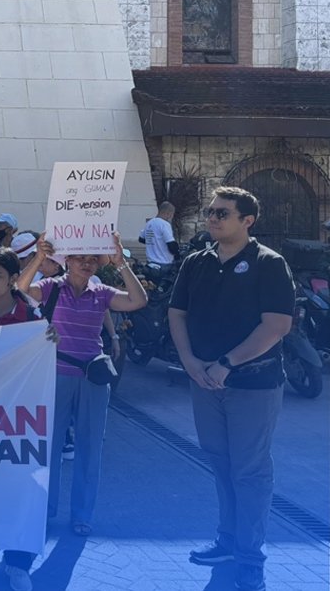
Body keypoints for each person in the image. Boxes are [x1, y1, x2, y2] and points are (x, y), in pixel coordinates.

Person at [168, 187, 294, 591]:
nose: (212, 217)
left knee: (250, 471)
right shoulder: (196, 262)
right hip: (204, 383)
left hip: (253, 384)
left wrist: (227, 363)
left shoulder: (269, 263)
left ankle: (250, 557)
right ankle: (227, 542)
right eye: (210, 211)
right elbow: (177, 312)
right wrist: (189, 361)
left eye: (222, 213)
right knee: (221, 465)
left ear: (247, 221)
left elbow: (277, 325)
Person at [18, 234, 147, 537]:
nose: (87, 264)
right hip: (55, 376)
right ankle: (45, 510)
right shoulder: (50, 287)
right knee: (48, 448)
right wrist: (39, 257)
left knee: (89, 450)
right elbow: (20, 290)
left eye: (92, 260)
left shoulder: (102, 293)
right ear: (68, 261)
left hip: (92, 378)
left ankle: (82, 514)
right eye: (80, 258)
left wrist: (122, 263)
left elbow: (138, 301)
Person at [0, 248, 57, 591]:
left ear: (14, 279)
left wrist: (51, 341)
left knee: (23, 487)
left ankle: (19, 562)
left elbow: (44, 356)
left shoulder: (31, 315)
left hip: (22, 419)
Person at [140, 201, 180, 269]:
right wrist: (177, 254)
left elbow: (141, 239)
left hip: (150, 264)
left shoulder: (149, 223)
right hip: (164, 264)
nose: (172, 217)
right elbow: (171, 245)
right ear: (168, 213)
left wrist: (155, 242)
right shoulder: (164, 224)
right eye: (172, 214)